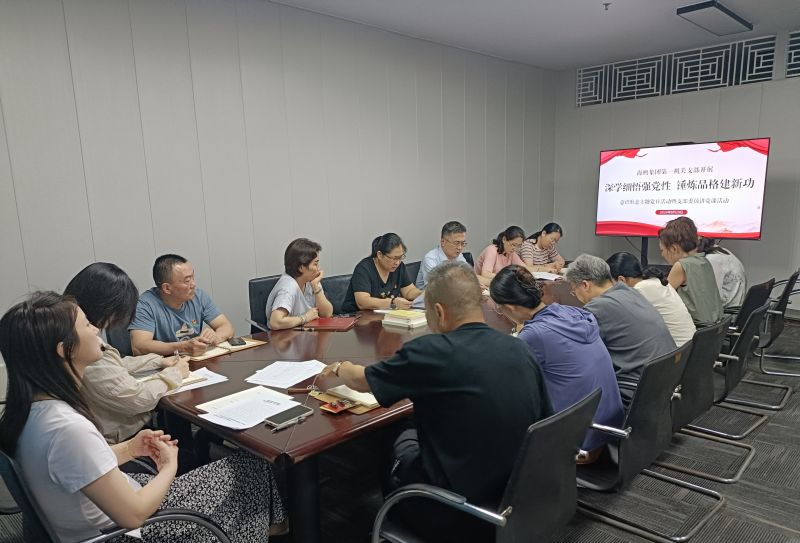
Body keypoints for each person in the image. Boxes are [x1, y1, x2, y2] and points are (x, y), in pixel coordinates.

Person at [0, 292, 285, 542]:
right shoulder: (66, 429)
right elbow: (133, 515)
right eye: (86, 325)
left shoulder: (34, 411)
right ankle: (259, 527)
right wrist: (169, 467)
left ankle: (260, 526)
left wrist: (129, 448)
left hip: (112, 508)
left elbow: (77, 466)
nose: (96, 329)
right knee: (250, 465)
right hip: (128, 531)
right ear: (65, 349)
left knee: (241, 474)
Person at [322, 262, 552, 542]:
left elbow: (362, 381)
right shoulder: (520, 348)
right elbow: (545, 420)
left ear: (439, 312)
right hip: (518, 501)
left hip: (454, 512)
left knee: (394, 430)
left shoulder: (430, 351)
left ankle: (380, 515)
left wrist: (341, 368)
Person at [490, 265, 624, 458]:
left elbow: (508, 385)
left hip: (581, 441)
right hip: (610, 426)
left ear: (509, 307)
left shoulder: (535, 335)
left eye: (499, 308)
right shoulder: (574, 313)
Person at [63, 263, 190, 444]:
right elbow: (136, 398)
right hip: (111, 438)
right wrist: (174, 374)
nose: (97, 330)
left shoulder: (73, 329)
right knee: (180, 450)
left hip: (101, 433)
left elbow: (113, 363)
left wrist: (157, 361)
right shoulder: (81, 344)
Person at [566, 254, 676, 408]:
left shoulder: (597, 308)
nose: (576, 296)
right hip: (668, 381)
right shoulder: (631, 292)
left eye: (574, 290)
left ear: (585, 285)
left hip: (638, 392)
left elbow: (576, 352)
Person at [129, 254, 234, 356]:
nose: (193, 284)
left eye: (193, 277)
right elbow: (139, 346)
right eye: (187, 281)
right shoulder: (145, 305)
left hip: (195, 361)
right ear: (167, 288)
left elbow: (226, 327)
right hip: (165, 364)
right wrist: (182, 347)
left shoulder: (198, 296)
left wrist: (216, 337)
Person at [606, 252, 696, 347]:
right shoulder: (654, 281)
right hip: (690, 346)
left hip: (677, 350)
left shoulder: (639, 289)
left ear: (621, 280)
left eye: (610, 284)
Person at [659, 217, 723, 325]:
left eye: (662, 250)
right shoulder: (703, 261)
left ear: (673, 248)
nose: (662, 254)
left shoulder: (681, 266)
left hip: (696, 327)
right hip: (713, 327)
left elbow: (661, 298)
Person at [341, 233, 423, 313]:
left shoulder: (399, 267)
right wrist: (392, 303)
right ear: (380, 255)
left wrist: (423, 294)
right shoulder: (364, 268)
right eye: (394, 258)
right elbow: (362, 302)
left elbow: (409, 291)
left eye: (401, 257)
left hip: (385, 315)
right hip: (358, 316)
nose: (397, 262)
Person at [266, 238, 334, 330]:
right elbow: (275, 322)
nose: (318, 268)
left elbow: (327, 314)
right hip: (285, 336)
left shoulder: (310, 280)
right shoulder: (289, 287)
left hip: (304, 333)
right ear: (301, 267)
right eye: (315, 264)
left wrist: (315, 287)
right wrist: (305, 318)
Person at [415, 221, 471, 289]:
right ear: (443, 242)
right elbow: (436, 287)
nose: (460, 247)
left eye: (463, 243)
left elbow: (469, 275)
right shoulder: (430, 258)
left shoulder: (458, 256)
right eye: (456, 243)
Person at [697, 237, 746, 308]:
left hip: (727, 311)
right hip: (735, 307)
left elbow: (711, 297)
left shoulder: (713, 260)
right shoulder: (722, 251)